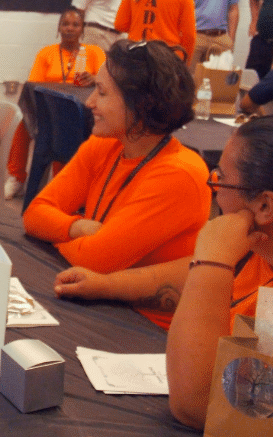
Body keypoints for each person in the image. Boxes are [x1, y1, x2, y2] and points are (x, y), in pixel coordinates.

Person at [49, 114, 273, 429]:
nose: (215, 189)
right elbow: (207, 281)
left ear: (266, 207)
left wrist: (213, 260)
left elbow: (197, 403)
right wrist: (107, 285)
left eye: (221, 178)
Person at [23, 39, 210, 329]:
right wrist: (77, 227)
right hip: (100, 303)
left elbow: (95, 260)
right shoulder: (105, 145)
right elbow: (34, 213)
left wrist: (61, 230)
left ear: (141, 106)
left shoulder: (179, 174)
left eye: (101, 92)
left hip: (148, 327)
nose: (89, 102)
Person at [3, 7, 105, 199]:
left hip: (84, 114)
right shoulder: (46, 53)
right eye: (65, 24)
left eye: (75, 25)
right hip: (50, 111)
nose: (70, 28)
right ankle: (16, 177)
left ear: (82, 29)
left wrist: (94, 78)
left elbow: (107, 81)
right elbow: (35, 85)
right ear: (59, 28)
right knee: (24, 123)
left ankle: (64, 185)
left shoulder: (94, 52)